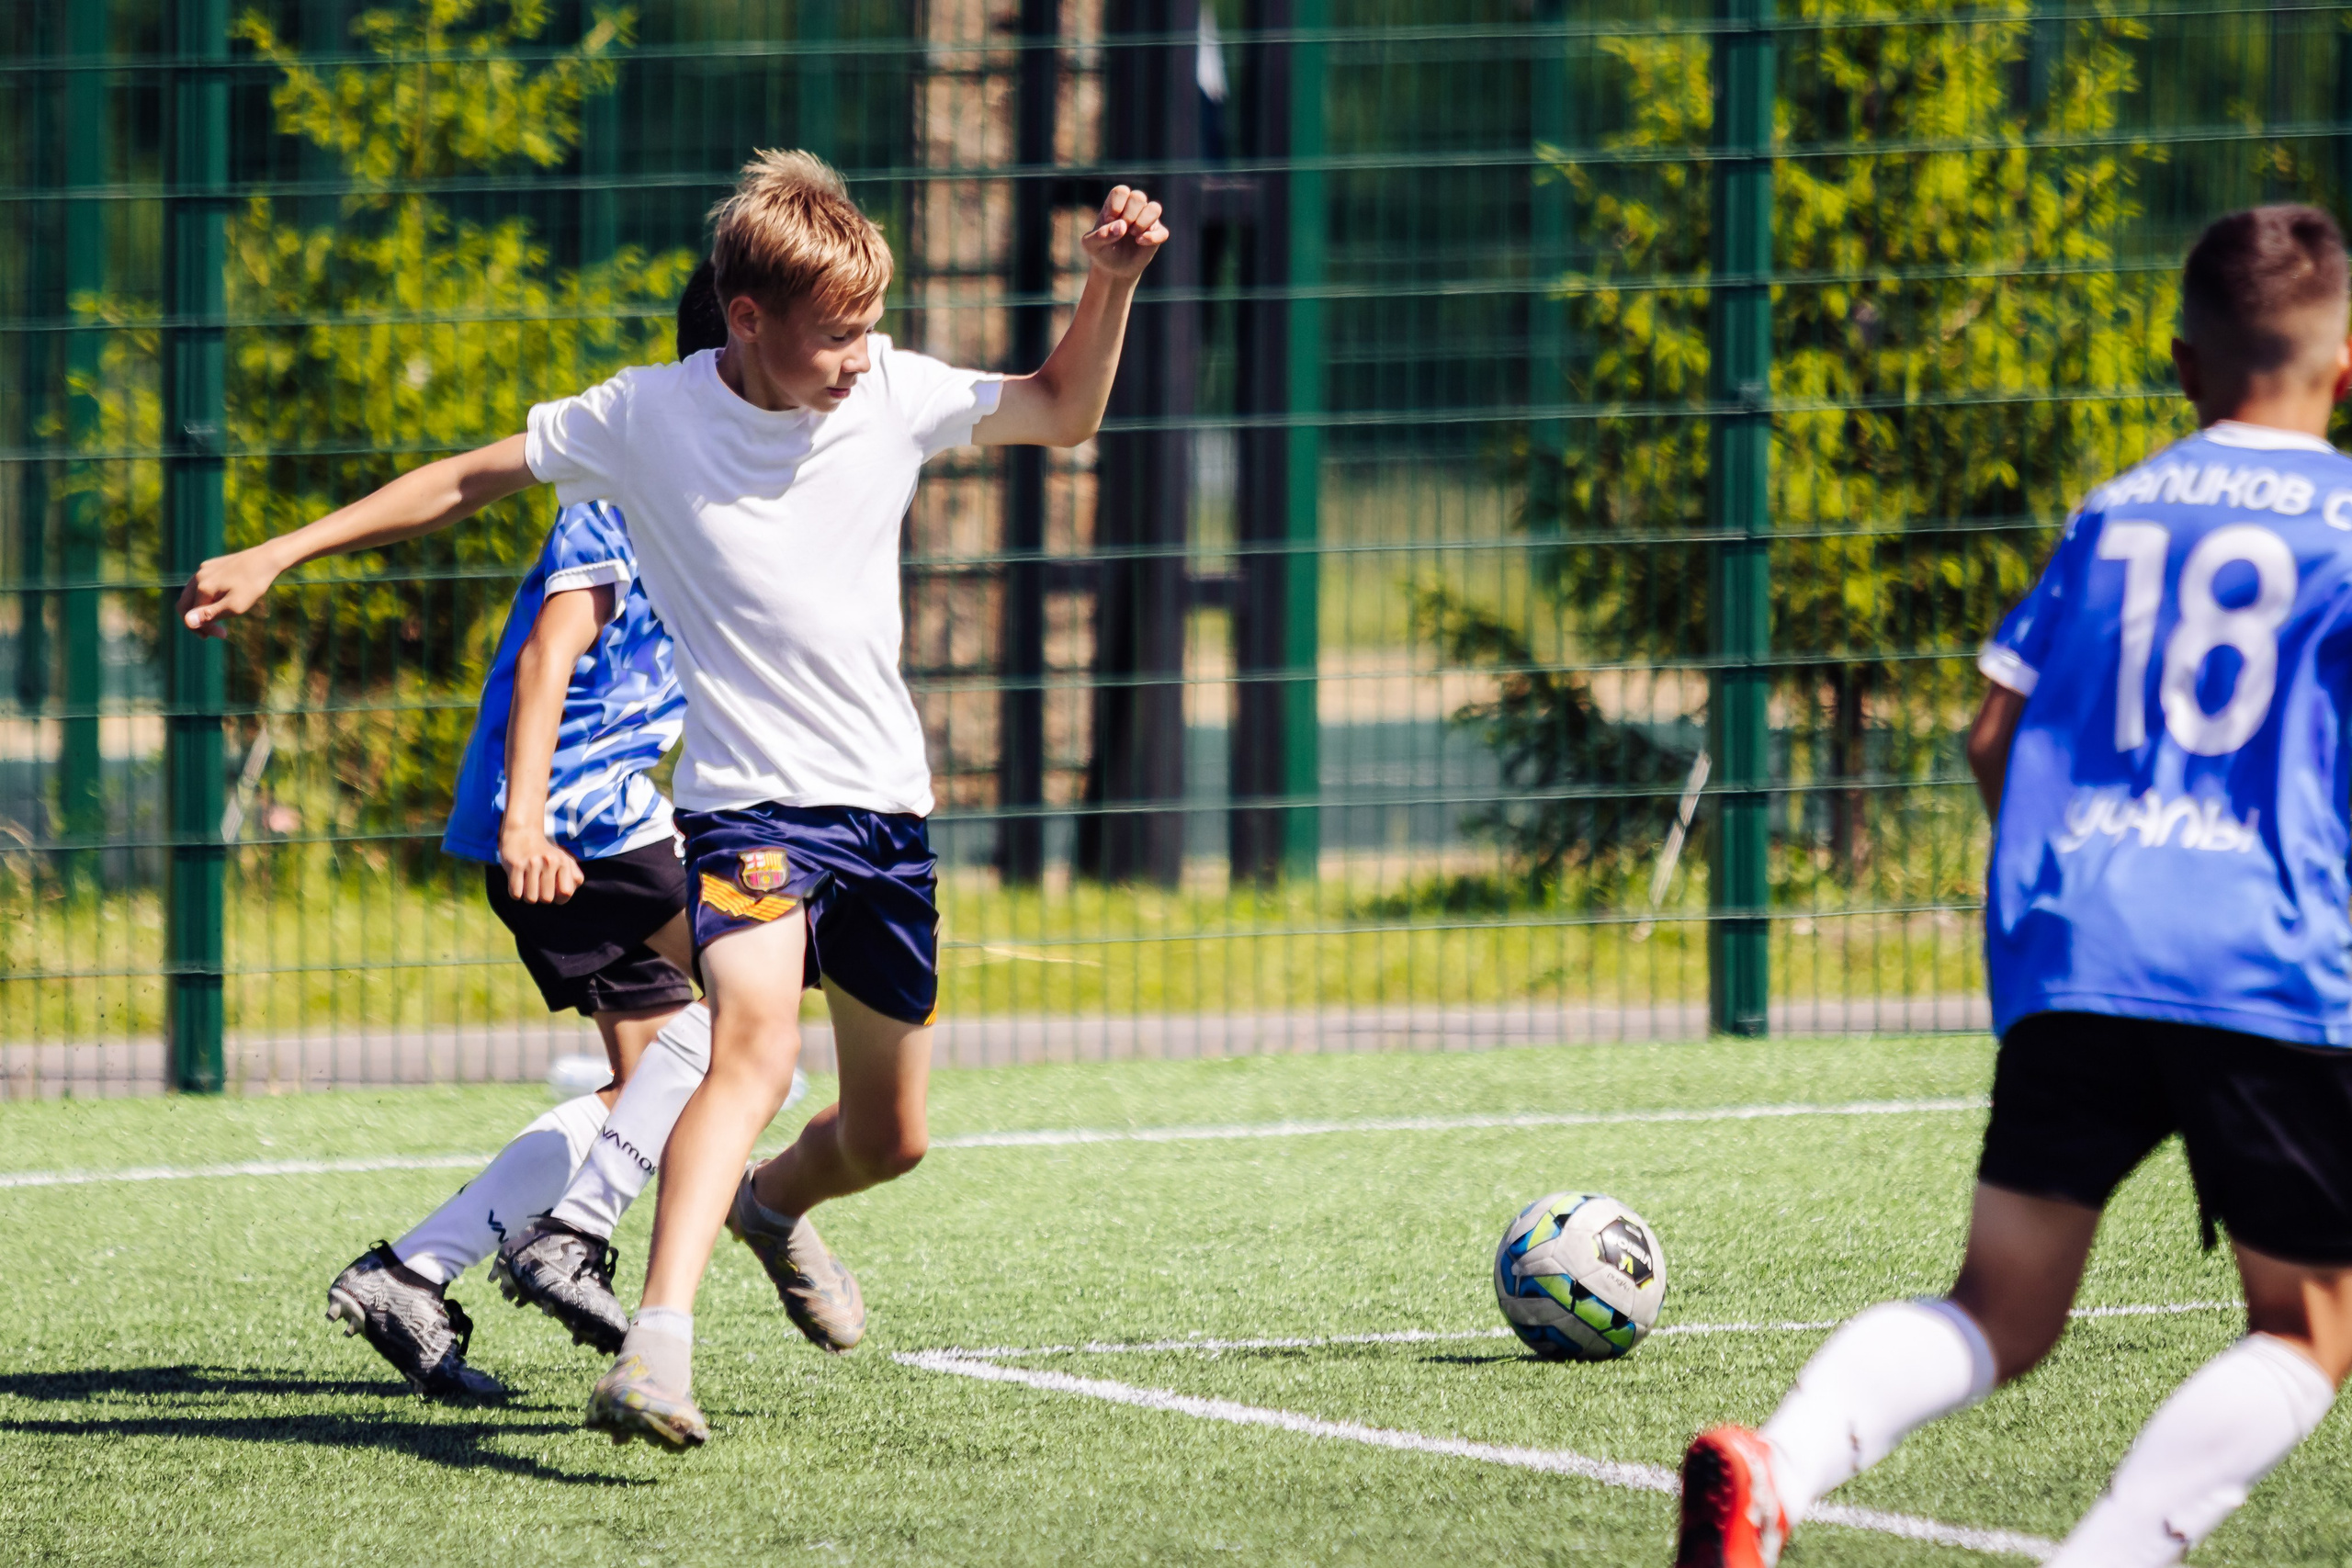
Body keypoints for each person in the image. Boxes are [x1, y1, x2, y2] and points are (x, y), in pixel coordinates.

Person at [179, 151, 1168, 1449]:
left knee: (892, 1134)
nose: (859, 359)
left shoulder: (897, 394)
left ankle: (769, 1205)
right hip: (747, 812)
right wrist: (282, 549)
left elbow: (1059, 409)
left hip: (885, 815)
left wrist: (1108, 287)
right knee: (746, 1040)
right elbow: (469, 478)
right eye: (835, 335)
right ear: (746, 320)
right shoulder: (646, 414)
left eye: (871, 329)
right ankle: (655, 1346)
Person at [1672, 204, 2352, 1567]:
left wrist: (2078, 881)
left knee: (2000, 1304)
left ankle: (1779, 1458)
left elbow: (1993, 730)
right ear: (2347, 373)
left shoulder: (2118, 511)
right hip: (2266, 961)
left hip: (2081, 944)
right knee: (2305, 1324)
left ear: (2181, 365)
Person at [322, 265, 729, 1400]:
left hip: (601, 816)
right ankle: (571, 1238)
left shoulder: (734, 480)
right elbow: (554, 652)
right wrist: (526, 817)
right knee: (747, 1015)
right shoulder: (630, 467)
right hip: (583, 816)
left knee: (652, 1084)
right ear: (738, 349)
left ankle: (412, 1270)